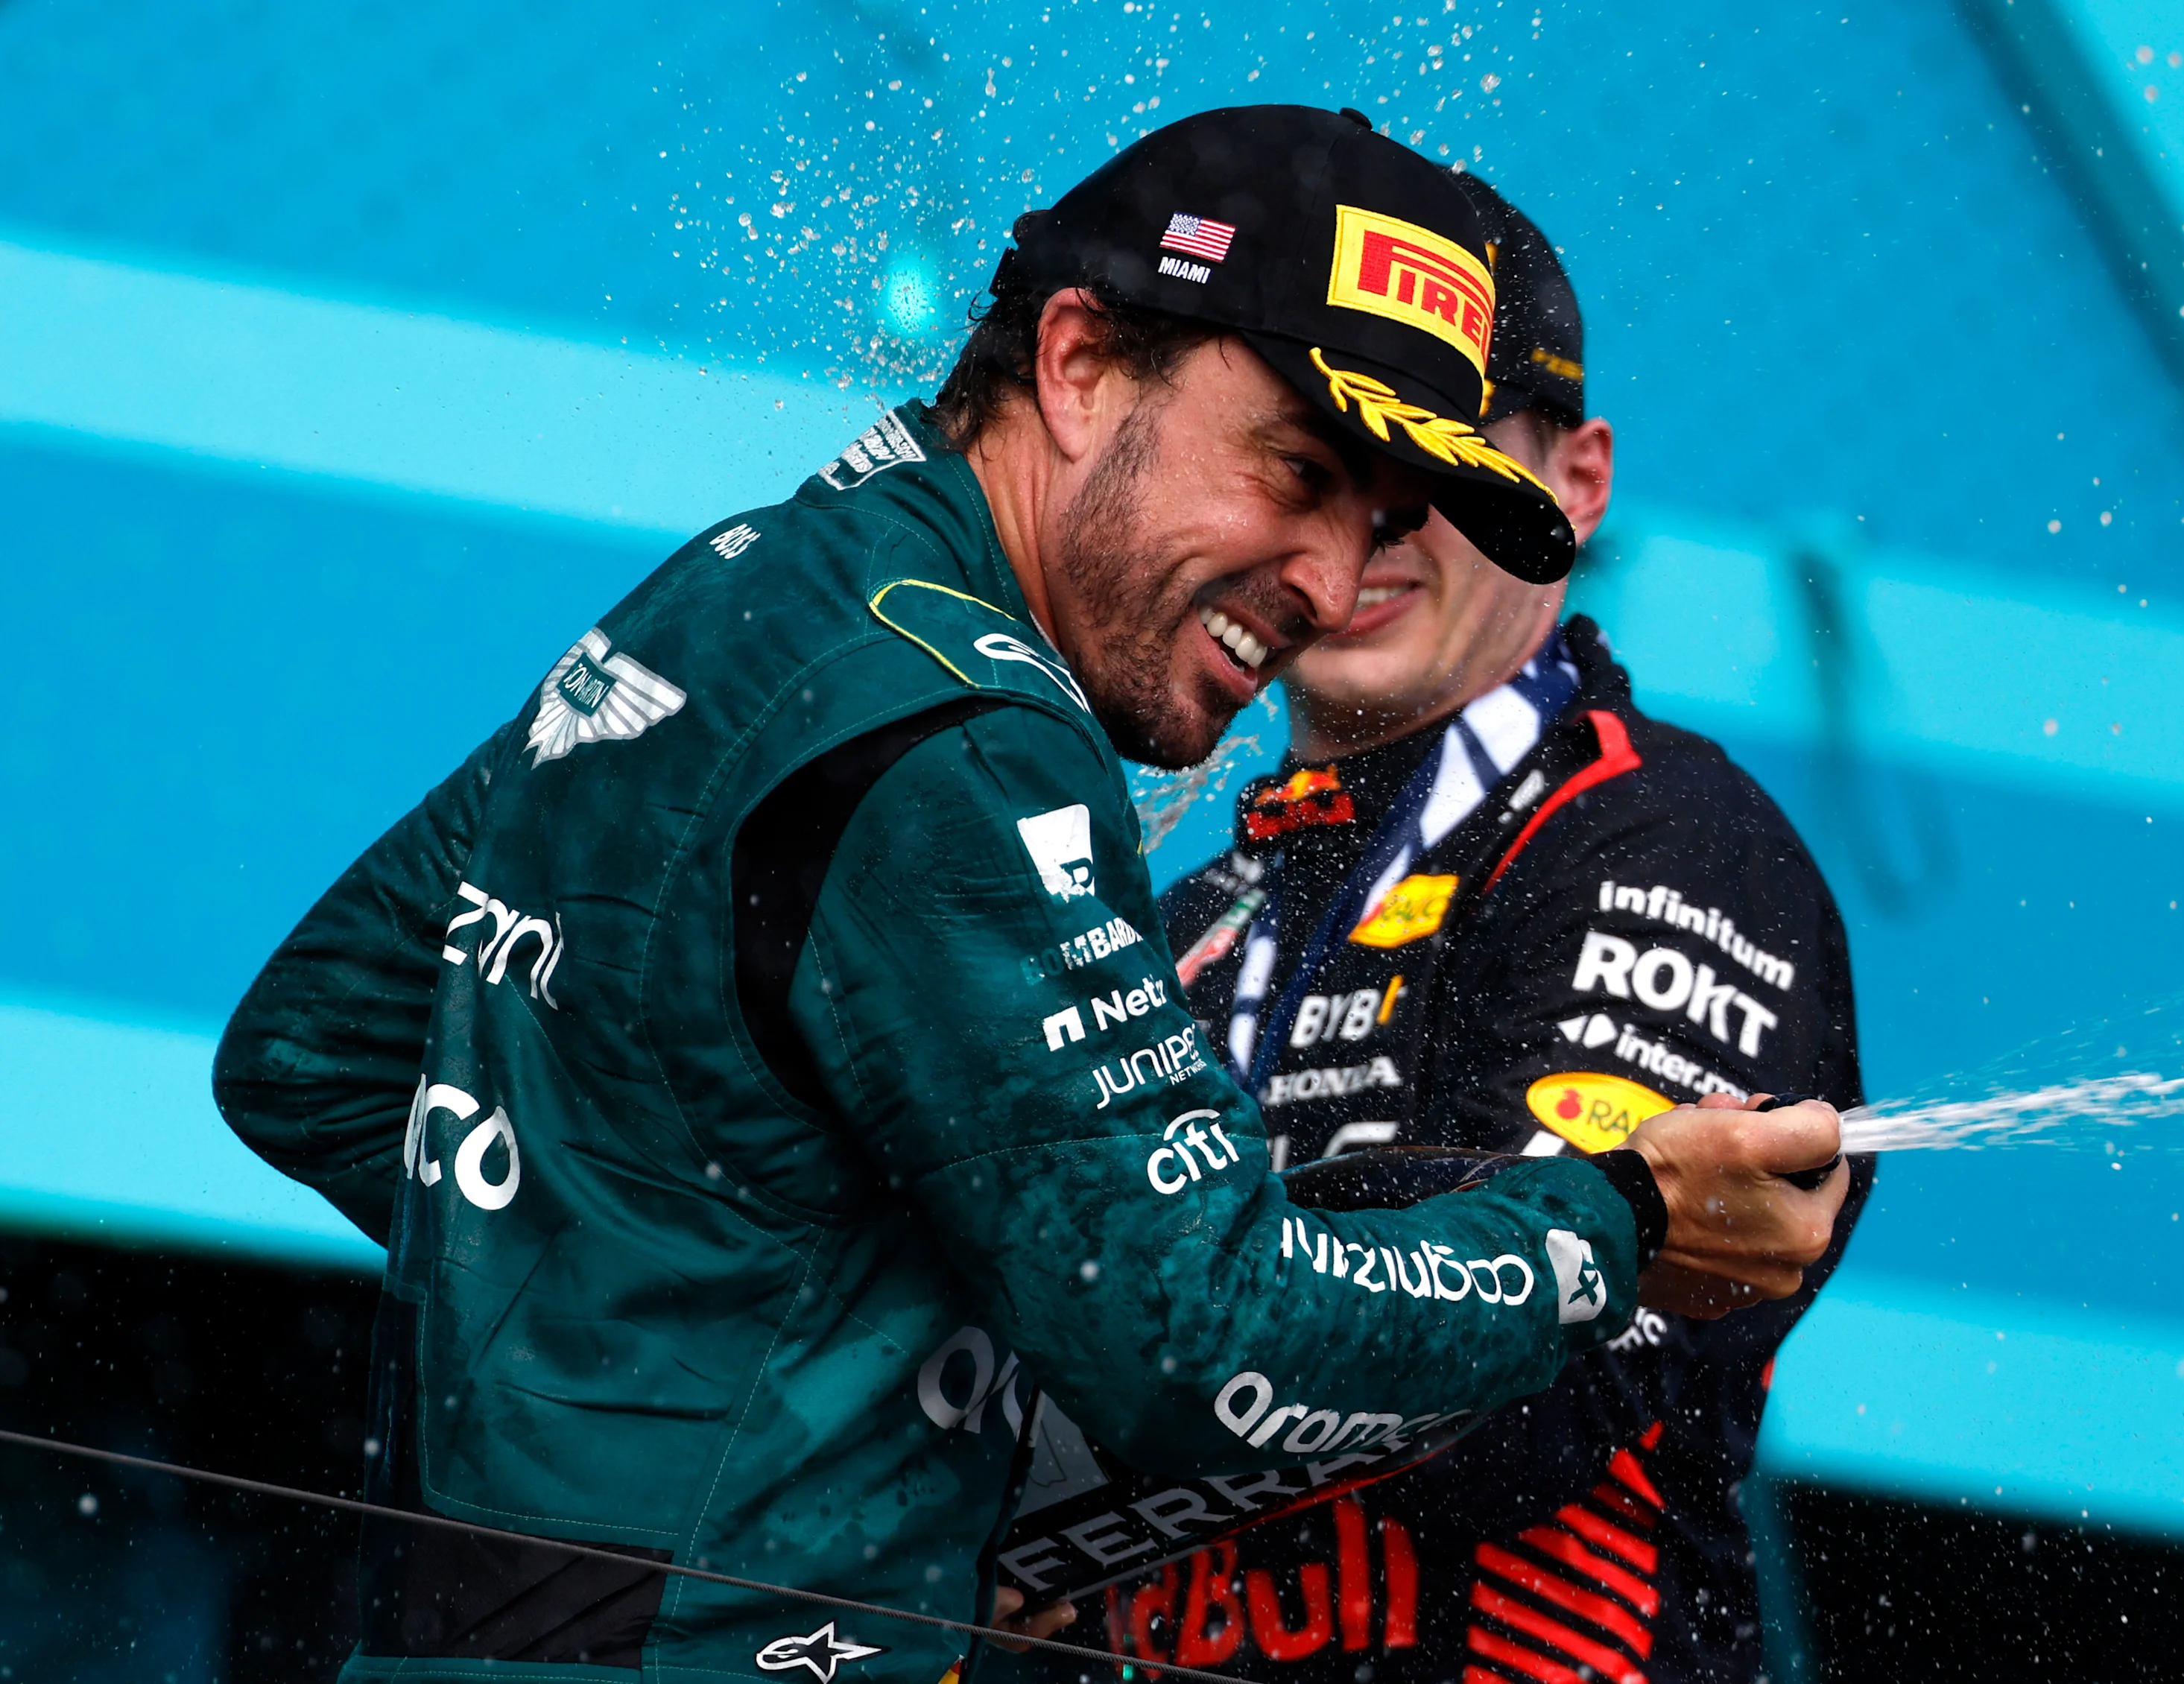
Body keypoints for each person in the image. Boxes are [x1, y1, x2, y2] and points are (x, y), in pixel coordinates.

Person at [212, 106, 1849, 1684]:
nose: (1335, 584)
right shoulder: (973, 732)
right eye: (1295, 468)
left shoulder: (746, 598)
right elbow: (1204, 1341)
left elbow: (319, 1046)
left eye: (1383, 520)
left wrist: (749, 1346)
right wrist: (1614, 1224)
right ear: (1075, 363)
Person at [1050, 177, 1871, 1684]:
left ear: (1574, 481)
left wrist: (1094, 1366)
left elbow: (1529, 1399)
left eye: (1446, 452)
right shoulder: (1195, 912)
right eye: (1335, 448)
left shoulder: (1663, 840)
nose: (1376, 515)